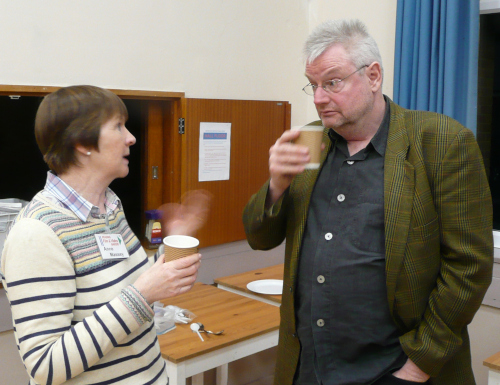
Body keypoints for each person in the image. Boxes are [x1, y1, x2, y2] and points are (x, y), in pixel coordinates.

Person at [243, 19, 493, 385]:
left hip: (395, 370)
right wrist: (277, 186)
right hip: (309, 367)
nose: (318, 98)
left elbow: (468, 267)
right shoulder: (310, 141)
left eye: (332, 82)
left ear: (373, 76)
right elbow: (259, 237)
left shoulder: (441, 141)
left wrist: (415, 369)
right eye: (313, 85)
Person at [0, 85, 210, 385]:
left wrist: (171, 247)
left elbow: (120, 287)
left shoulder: (109, 206)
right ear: (83, 142)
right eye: (118, 127)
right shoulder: (35, 233)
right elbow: (46, 366)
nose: (131, 137)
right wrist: (143, 295)